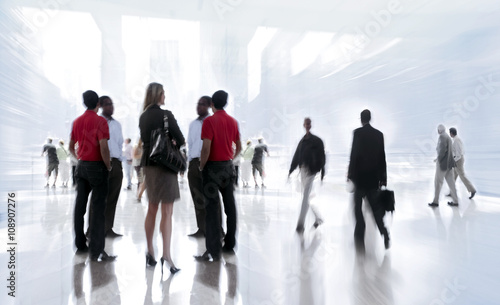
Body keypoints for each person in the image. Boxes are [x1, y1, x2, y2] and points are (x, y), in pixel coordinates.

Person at [139, 82, 185, 274]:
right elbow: (180, 139)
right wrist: (173, 140)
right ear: (158, 95)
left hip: (149, 165)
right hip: (166, 166)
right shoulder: (166, 115)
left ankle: (150, 250)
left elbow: (145, 140)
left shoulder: (143, 116)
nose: (165, 96)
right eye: (163, 93)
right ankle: (166, 255)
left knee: (152, 208)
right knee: (167, 212)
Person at [69, 90, 115, 261]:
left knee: (79, 206)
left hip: (81, 167)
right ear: (98, 104)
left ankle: (80, 245)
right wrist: (108, 165)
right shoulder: (101, 121)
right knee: (98, 209)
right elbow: (103, 147)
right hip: (97, 168)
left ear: (84, 103)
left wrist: (80, 158)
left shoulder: (77, 122)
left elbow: (71, 146)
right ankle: (97, 250)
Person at [196, 90, 241, 261]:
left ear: (212, 104)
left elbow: (206, 148)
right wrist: (229, 158)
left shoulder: (209, 121)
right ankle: (229, 244)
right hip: (228, 168)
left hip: (212, 169)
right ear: (226, 103)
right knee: (230, 207)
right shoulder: (233, 122)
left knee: (212, 209)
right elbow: (239, 147)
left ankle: (213, 250)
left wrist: (201, 165)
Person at [347, 109, 390, 250]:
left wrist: (350, 175)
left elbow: (354, 155)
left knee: (358, 210)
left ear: (361, 119)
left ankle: (360, 237)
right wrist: (383, 178)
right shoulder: (379, 135)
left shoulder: (357, 133)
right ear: (370, 118)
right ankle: (384, 233)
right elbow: (382, 157)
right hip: (373, 180)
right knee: (376, 210)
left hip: (359, 179)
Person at [187, 96, 224, 238]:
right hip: (194, 163)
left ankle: (218, 230)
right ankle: (202, 229)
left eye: (202, 104)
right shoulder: (193, 124)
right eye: (198, 104)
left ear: (210, 106)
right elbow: (190, 143)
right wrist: (191, 161)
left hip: (209, 163)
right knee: (197, 198)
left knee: (212, 199)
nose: (199, 107)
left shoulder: (214, 122)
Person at [288, 118, 325, 233]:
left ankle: (300, 224)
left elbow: (322, 156)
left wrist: (321, 170)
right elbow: (297, 155)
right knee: (307, 197)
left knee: (305, 197)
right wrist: (291, 170)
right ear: (304, 125)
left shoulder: (317, 141)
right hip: (303, 171)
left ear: (310, 125)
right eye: (306, 123)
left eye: (309, 123)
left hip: (312, 172)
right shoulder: (302, 141)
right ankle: (318, 218)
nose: (308, 125)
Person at [99, 96, 124, 237]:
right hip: (102, 162)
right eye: (108, 104)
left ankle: (108, 228)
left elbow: (119, 143)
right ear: (101, 106)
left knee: (112, 197)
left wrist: (118, 160)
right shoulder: (98, 122)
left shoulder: (117, 124)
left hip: (116, 163)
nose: (111, 107)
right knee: (99, 198)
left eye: (112, 104)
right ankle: (93, 230)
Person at [428, 124, 459, 207]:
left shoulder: (442, 137)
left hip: (442, 165)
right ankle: (456, 201)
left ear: (439, 130)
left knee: (438, 183)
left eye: (438, 130)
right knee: (451, 183)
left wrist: (438, 159)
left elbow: (442, 150)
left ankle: (435, 201)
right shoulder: (448, 137)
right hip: (449, 164)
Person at [449, 128, 476, 199]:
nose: (449, 134)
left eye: (450, 133)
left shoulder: (456, 141)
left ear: (451, 133)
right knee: (453, 176)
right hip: (457, 160)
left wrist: (454, 160)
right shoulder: (455, 140)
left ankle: (472, 190)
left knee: (462, 176)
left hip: (458, 161)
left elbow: (459, 153)